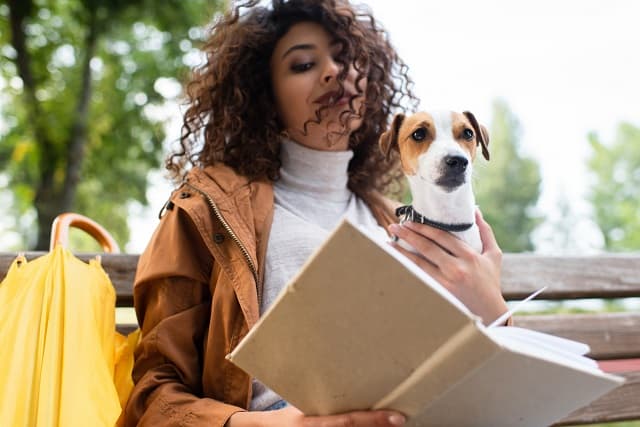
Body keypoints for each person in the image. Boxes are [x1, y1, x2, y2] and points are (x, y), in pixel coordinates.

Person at [122, 0, 509, 426]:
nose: (333, 71)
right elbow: (154, 398)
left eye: (346, 58)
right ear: (262, 94)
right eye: (304, 64)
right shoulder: (205, 210)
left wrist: (492, 311)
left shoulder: (396, 222)